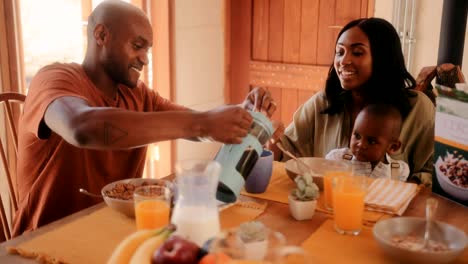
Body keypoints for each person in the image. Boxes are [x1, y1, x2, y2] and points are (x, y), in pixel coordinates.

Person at [13, 0, 276, 236]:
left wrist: (241, 115)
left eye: (147, 49)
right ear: (101, 35)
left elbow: (197, 125)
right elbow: (81, 127)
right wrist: (204, 122)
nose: (145, 59)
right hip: (46, 239)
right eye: (137, 46)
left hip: (111, 231)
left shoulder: (138, 95)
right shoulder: (54, 79)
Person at [271, 18, 434, 186]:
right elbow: (284, 155)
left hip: (393, 209)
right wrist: (267, 131)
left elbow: (432, 175)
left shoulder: (418, 108)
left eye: (357, 52)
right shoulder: (323, 103)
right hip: (326, 206)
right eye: (340, 52)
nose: (343, 61)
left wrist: (396, 189)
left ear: (382, 57)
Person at [325, 104, 410, 181]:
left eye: (371, 141)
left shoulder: (398, 171)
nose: (361, 144)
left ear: (393, 147)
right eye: (357, 136)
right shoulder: (337, 159)